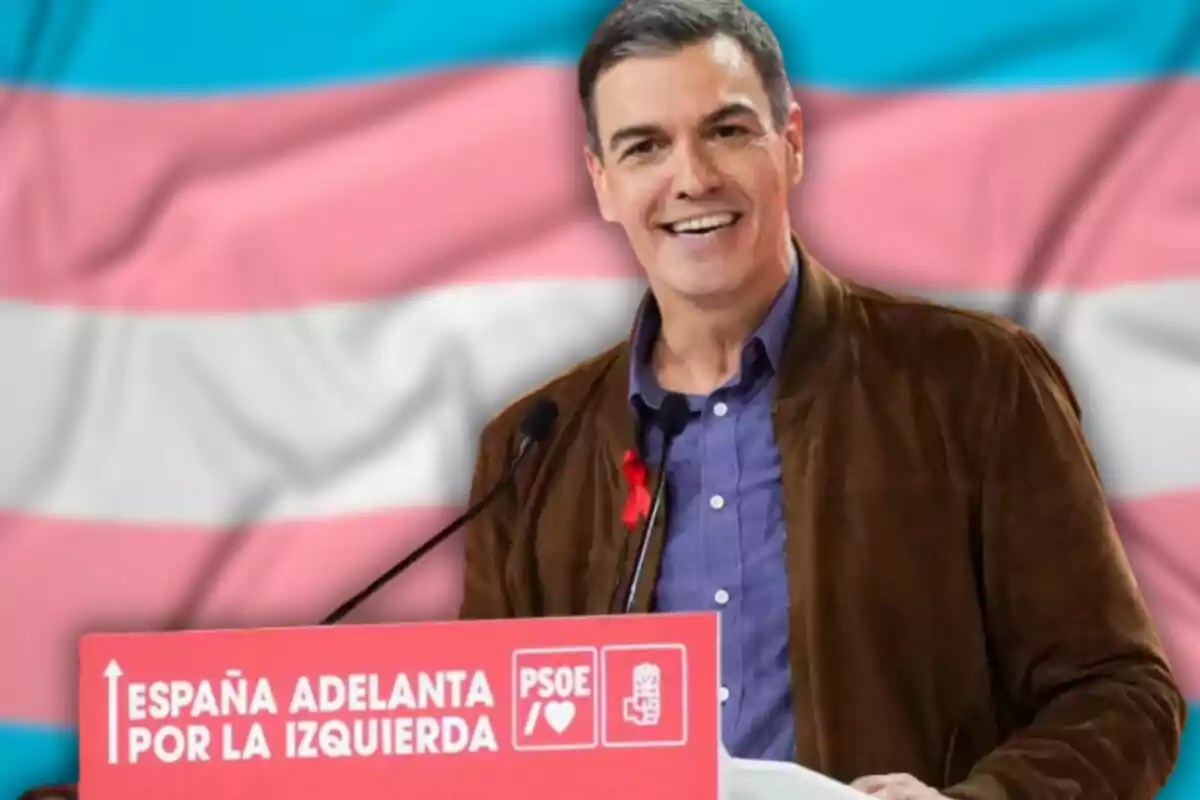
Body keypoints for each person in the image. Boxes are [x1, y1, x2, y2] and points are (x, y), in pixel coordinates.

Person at [457, 0, 1187, 797]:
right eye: (645, 147)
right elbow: (491, 754)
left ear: (793, 143)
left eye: (728, 131)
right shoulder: (531, 450)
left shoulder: (978, 382)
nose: (692, 178)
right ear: (602, 182)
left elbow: (1123, 694)